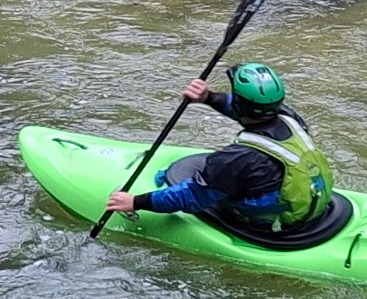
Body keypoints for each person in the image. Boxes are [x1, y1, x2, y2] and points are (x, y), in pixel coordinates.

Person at [103, 62, 335, 233]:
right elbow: (249, 111)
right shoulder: (290, 118)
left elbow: (191, 197)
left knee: (192, 179)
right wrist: (208, 97)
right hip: (304, 203)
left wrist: (135, 202)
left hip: (267, 222)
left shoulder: (237, 158)